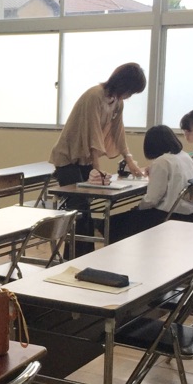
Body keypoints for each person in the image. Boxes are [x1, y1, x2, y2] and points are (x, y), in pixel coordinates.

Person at [50, 62, 147, 254]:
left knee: (85, 209)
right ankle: (74, 257)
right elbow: (93, 134)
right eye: (130, 91)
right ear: (123, 83)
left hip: (85, 159)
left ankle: (84, 256)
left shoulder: (117, 102)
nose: (129, 96)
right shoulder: (95, 95)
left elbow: (119, 132)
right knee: (78, 209)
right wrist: (97, 168)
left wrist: (130, 161)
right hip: (68, 158)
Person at [108, 125, 193, 242]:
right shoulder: (184, 156)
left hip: (168, 215)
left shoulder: (162, 161)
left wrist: (138, 207)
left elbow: (152, 199)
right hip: (190, 214)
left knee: (112, 223)